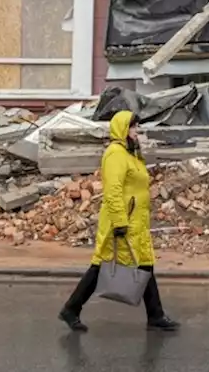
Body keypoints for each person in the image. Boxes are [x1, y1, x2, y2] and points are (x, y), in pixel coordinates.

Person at [58, 110, 179, 333]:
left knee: (144, 263)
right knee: (103, 265)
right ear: (123, 129)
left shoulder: (129, 153)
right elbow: (113, 191)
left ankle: (155, 315)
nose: (137, 131)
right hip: (122, 221)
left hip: (135, 220)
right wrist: (120, 222)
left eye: (137, 127)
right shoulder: (115, 154)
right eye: (133, 127)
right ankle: (71, 309)